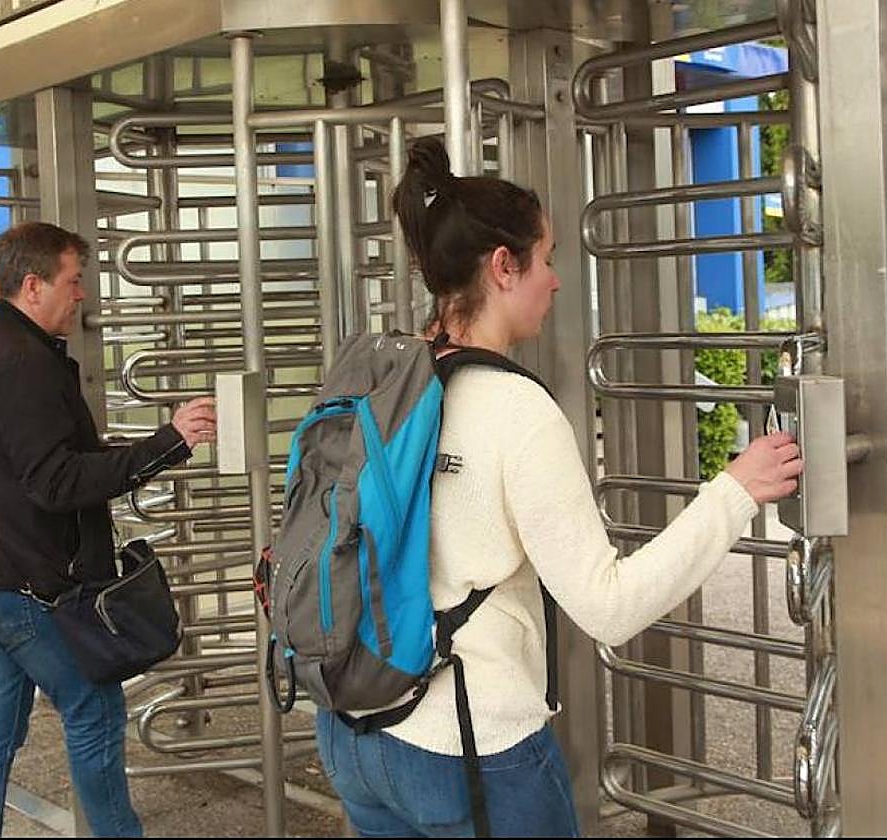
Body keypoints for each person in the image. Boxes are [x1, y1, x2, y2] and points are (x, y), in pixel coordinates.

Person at [313, 137, 803, 837]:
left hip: (353, 731)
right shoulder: (517, 410)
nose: (556, 280)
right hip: (468, 749)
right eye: (546, 258)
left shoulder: (388, 378)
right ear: (502, 266)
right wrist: (734, 492)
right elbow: (608, 607)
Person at [0, 221, 216, 837]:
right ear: (33, 286)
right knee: (94, 710)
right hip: (19, 587)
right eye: (73, 280)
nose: (81, 294)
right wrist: (168, 442)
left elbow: (32, 465)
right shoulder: (20, 361)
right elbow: (55, 482)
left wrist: (154, 445)